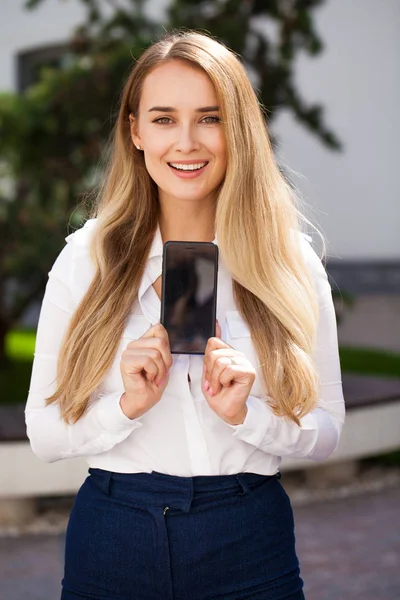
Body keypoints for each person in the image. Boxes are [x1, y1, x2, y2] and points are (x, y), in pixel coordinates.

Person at [25, 30, 345, 600]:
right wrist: (125, 406)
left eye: (210, 117)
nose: (187, 142)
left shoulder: (287, 259)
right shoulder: (86, 259)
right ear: (136, 130)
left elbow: (325, 432)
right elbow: (44, 435)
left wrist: (248, 416)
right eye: (165, 118)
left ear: (239, 128)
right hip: (114, 536)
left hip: (249, 535)